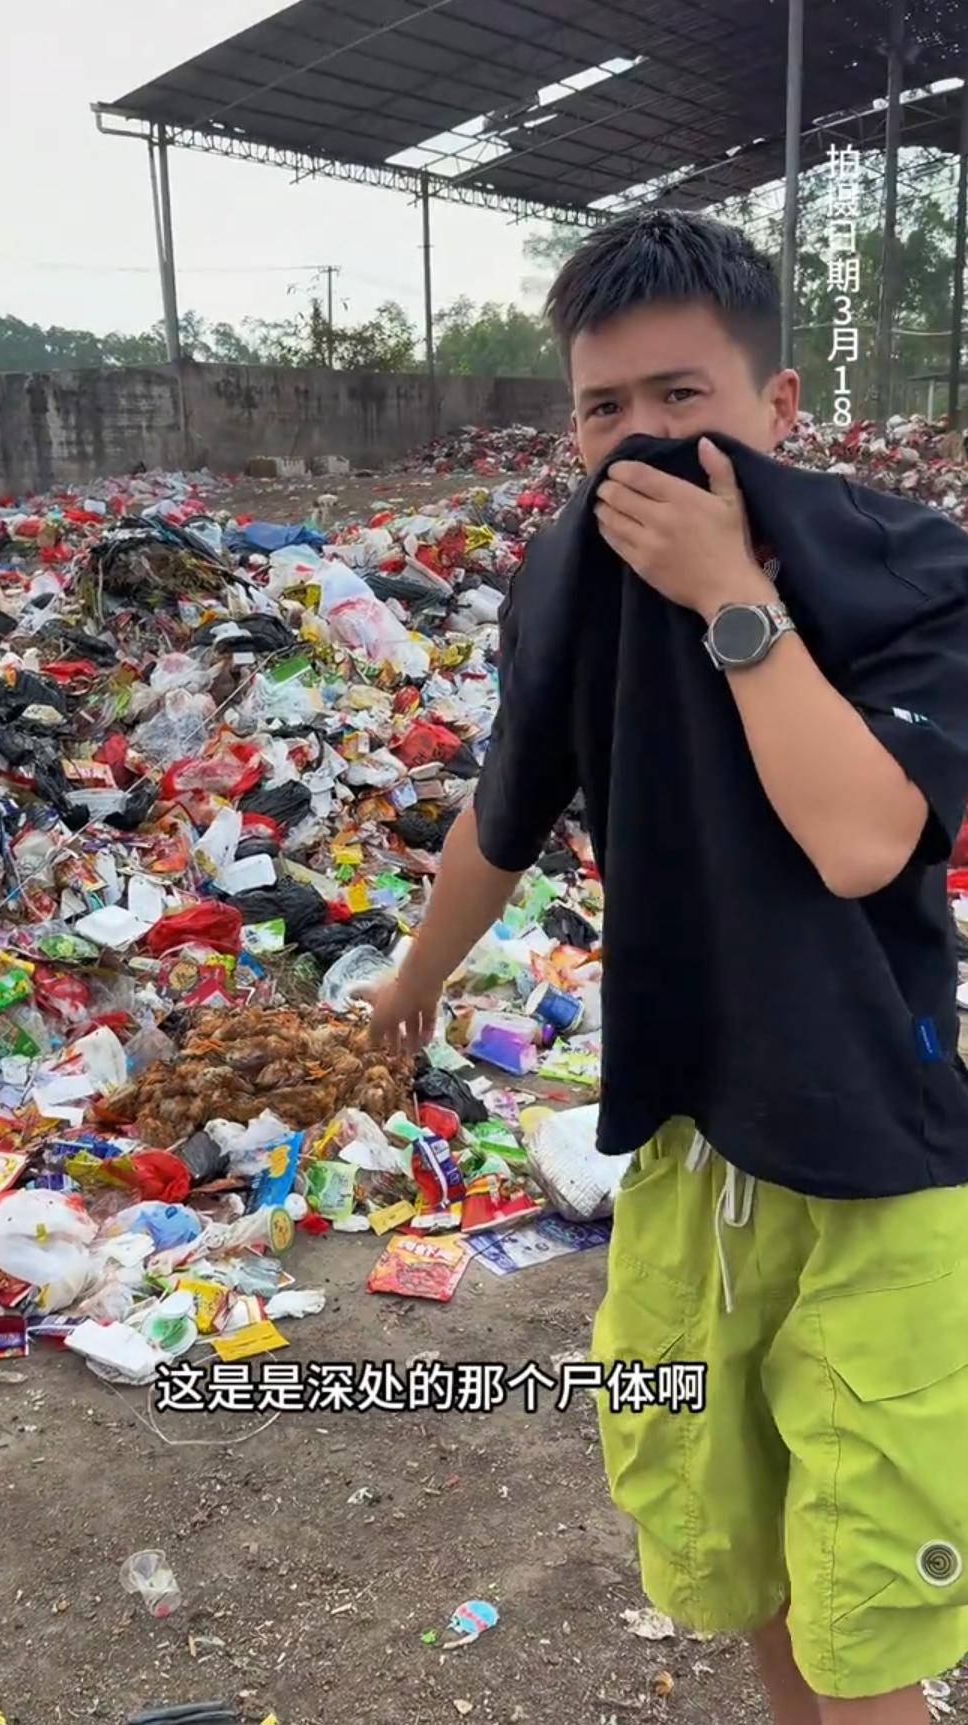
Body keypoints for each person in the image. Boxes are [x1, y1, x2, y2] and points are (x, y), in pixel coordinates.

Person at [368, 209, 968, 1725]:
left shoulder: (907, 565)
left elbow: (861, 840)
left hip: (870, 1152)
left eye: (681, 395)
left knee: (863, 1613)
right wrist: (411, 980)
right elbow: (503, 809)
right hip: (691, 1141)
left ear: (778, 403)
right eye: (603, 407)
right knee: (746, 1562)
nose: (638, 440)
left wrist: (729, 601)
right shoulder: (569, 574)